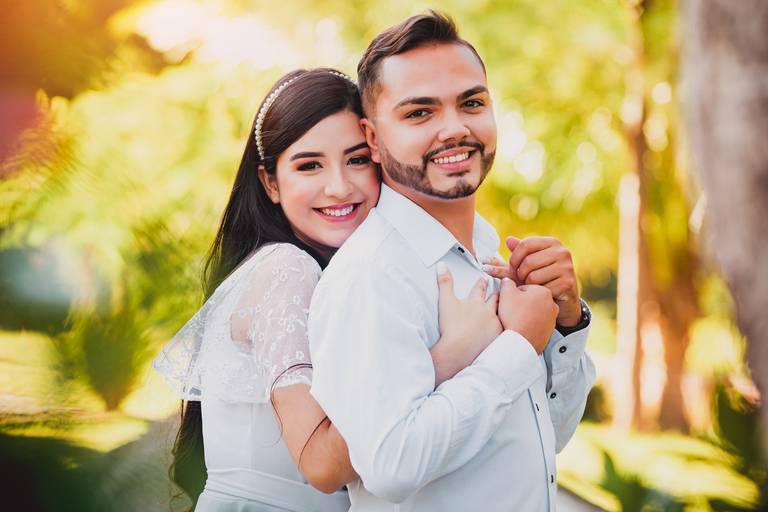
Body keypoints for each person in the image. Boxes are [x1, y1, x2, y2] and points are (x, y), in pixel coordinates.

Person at [153, 68, 504, 511]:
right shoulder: (287, 270)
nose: (338, 187)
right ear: (270, 183)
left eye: (357, 160)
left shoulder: (346, 275)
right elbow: (321, 463)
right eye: (309, 166)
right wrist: (455, 353)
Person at [307, 12, 596, 512]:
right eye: (420, 113)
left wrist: (565, 321)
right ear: (372, 138)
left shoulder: (490, 254)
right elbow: (390, 466)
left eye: (472, 103)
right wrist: (518, 346)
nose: (456, 128)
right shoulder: (371, 275)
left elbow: (546, 437)